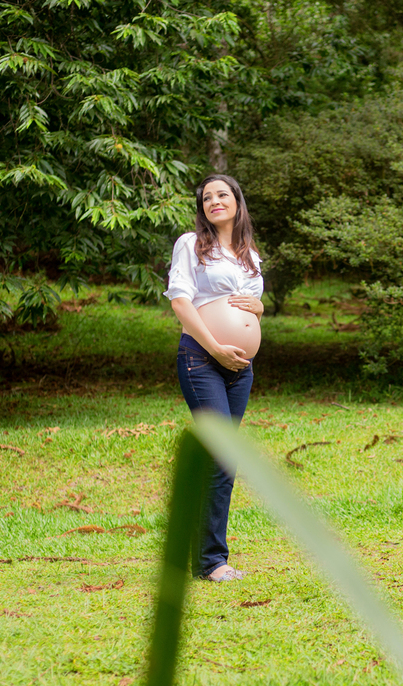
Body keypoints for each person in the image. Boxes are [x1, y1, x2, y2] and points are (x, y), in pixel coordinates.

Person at [165, 174, 265, 582]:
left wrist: (258, 310)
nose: (214, 201)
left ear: (237, 202)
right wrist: (215, 346)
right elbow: (180, 301)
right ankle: (211, 562)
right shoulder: (191, 244)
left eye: (222, 194)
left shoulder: (249, 254)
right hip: (201, 359)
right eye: (207, 197)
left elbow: (253, 303)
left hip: (240, 368)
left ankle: (208, 557)